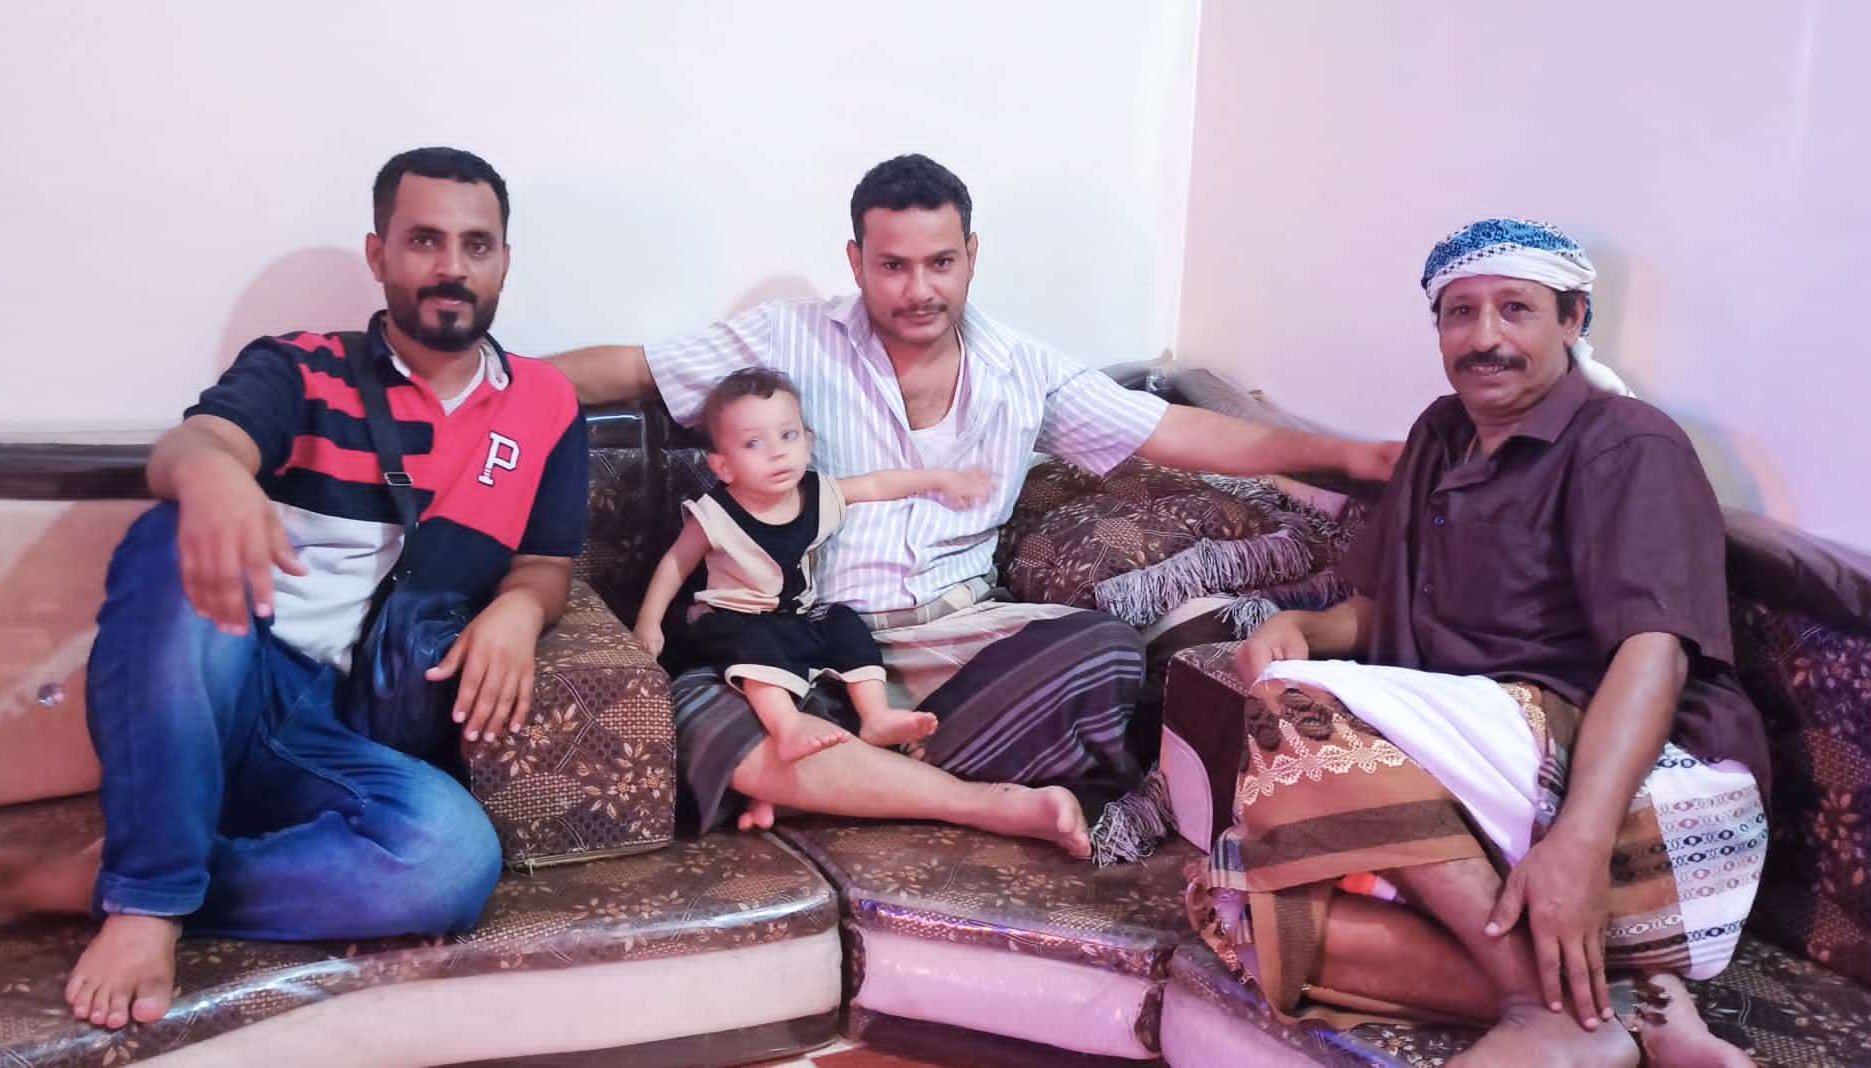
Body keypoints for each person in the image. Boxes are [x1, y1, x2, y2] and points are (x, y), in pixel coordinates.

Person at [552, 154, 1399, 861]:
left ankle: (846, 782)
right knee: (696, 708)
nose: (918, 288)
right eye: (892, 266)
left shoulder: (1022, 370)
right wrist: (492, 384)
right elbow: (633, 368)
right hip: (809, 640)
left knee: (1105, 657)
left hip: (960, 643)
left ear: (972, 255)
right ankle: (973, 800)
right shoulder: (789, 338)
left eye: (940, 263)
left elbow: (1171, 430)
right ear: (856, 261)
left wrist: (1346, 457)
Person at [0, 147, 589, 1030]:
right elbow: (195, 445)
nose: (452, 266)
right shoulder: (301, 368)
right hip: (216, 684)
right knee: (170, 534)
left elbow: (546, 564)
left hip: (343, 732)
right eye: (424, 240)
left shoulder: (546, 405)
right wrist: (212, 477)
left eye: (476, 245)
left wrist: (519, 608)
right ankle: (146, 905)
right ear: (379, 255)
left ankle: (108, 879)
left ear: (504, 261)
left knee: (451, 860)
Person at [1209, 218, 1766, 1067]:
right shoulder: (1441, 434)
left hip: (1620, 776)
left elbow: (1655, 652)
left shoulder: (1629, 444)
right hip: (1468, 751)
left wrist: (1578, 844)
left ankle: (1538, 1011)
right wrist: (1301, 631)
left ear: (1573, 319)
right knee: (1232, 903)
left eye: (1516, 309)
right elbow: (1381, 612)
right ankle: (1627, 1008)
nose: (1485, 338)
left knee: (1294, 713)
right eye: (1460, 313)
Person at [635, 367, 991, 763]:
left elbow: (877, 485)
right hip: (731, 621)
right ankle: (787, 728)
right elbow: (675, 564)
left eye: (788, 435)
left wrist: (941, 479)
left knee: (844, 622)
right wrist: (649, 622)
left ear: (808, 442)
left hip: (795, 618)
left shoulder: (819, 493)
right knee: (756, 641)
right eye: (753, 443)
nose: (777, 452)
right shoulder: (714, 515)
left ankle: (875, 716)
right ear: (723, 467)